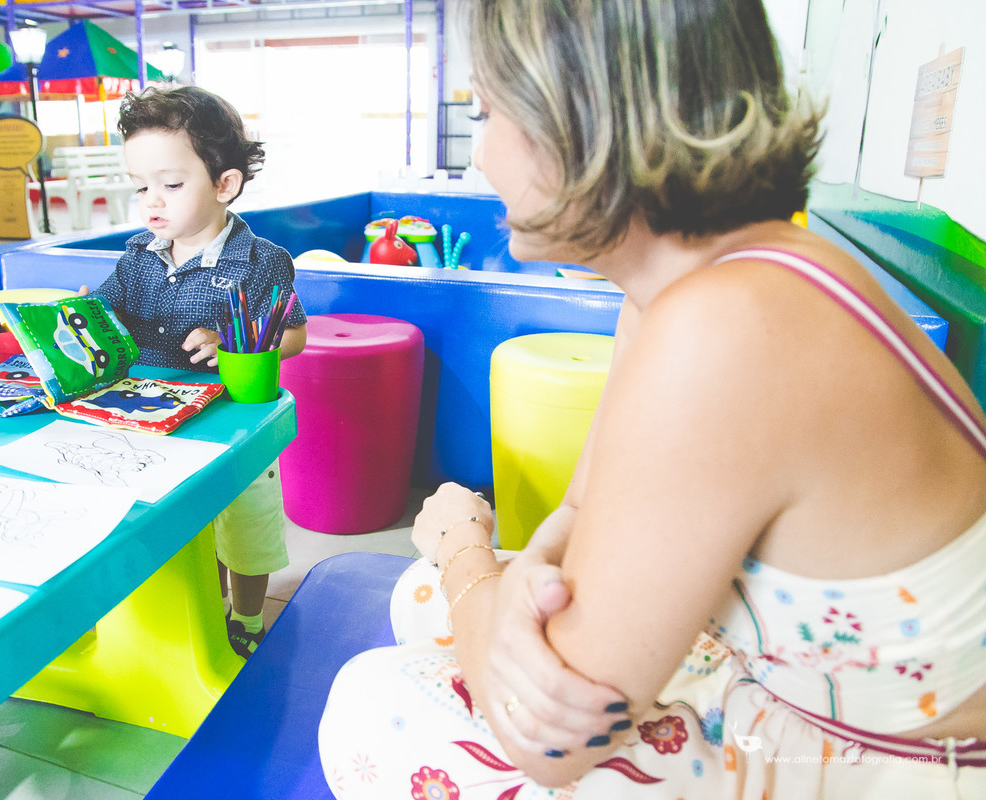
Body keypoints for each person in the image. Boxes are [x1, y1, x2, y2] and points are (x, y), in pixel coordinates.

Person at [317, 0, 986, 797]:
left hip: (863, 767)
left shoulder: (725, 328)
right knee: (420, 592)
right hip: (776, 682)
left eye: (488, 111)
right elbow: (578, 511)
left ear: (582, 118)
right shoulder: (687, 289)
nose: (480, 157)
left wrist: (466, 551)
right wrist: (506, 598)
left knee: (373, 704)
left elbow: (549, 747)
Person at [85, 85, 307, 658]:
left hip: (234, 428)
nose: (152, 201)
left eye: (171, 184)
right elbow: (109, 314)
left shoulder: (260, 260)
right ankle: (207, 610)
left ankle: (249, 619)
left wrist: (233, 341)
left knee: (246, 534)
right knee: (184, 532)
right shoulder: (138, 254)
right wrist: (85, 315)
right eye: (141, 186)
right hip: (155, 422)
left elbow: (295, 334)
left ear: (224, 184)